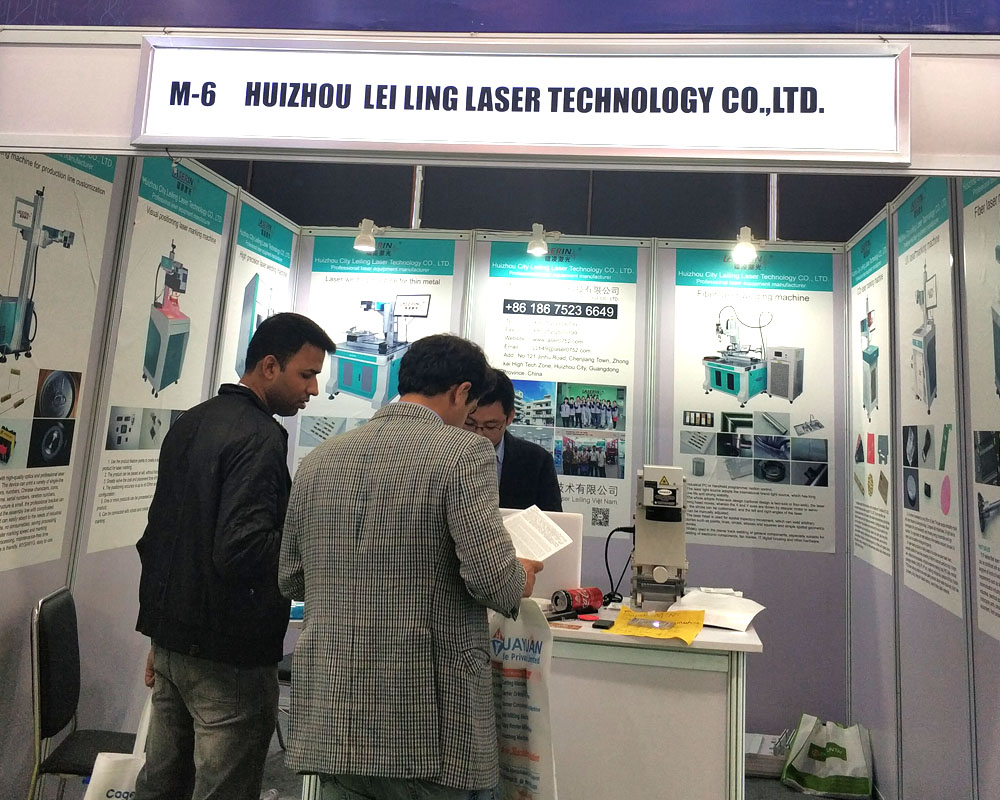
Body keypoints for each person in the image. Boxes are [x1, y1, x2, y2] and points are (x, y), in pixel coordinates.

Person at [279, 333, 543, 800]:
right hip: (424, 718)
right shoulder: (464, 454)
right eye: (471, 408)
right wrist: (520, 574)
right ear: (462, 392)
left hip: (332, 713)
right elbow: (493, 582)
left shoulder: (319, 459)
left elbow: (291, 577)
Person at [133, 312, 335, 800]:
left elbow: (160, 536)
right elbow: (242, 547)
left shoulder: (192, 422)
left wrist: (160, 633)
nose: (313, 390)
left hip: (174, 641)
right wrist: (309, 548)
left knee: (162, 785)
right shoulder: (260, 437)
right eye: (306, 375)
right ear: (269, 366)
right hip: (229, 657)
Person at [464, 368, 563, 512]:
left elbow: (552, 519)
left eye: (490, 426)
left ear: (510, 417)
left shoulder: (537, 461)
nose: (479, 434)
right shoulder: (441, 453)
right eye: (469, 423)